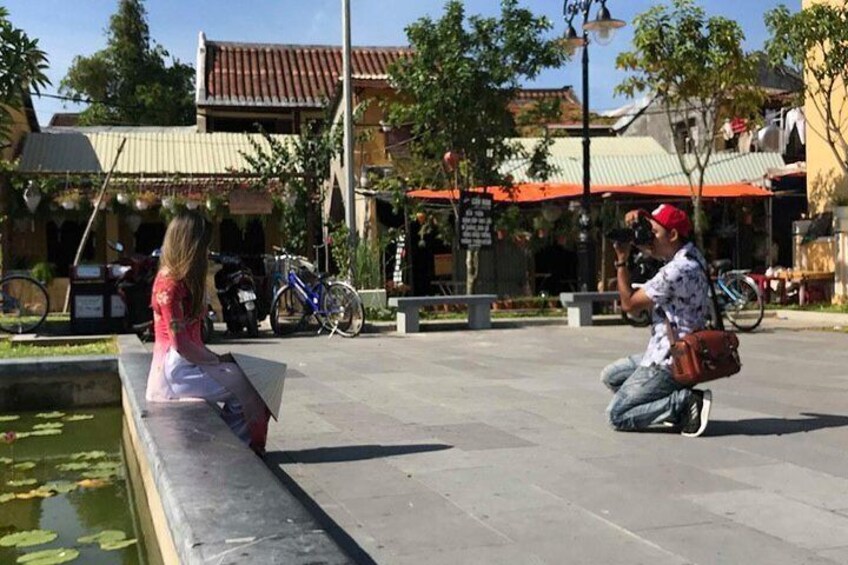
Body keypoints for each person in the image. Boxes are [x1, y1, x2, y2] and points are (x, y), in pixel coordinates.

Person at [145, 211, 271, 454]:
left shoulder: (180, 281)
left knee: (256, 375)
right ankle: (243, 450)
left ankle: (237, 445)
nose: (207, 252)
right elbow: (180, 344)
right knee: (251, 383)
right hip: (176, 372)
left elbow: (191, 340)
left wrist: (217, 358)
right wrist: (215, 360)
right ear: (190, 245)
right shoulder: (169, 286)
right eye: (204, 245)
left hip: (186, 364)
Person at [602, 204, 713, 437]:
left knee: (617, 415)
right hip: (669, 351)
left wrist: (621, 260)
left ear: (672, 235)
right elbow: (653, 246)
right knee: (612, 376)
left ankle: (685, 402)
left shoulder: (677, 270)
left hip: (670, 361)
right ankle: (663, 408)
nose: (649, 239)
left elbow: (629, 305)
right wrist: (637, 227)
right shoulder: (693, 257)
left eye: (654, 233)